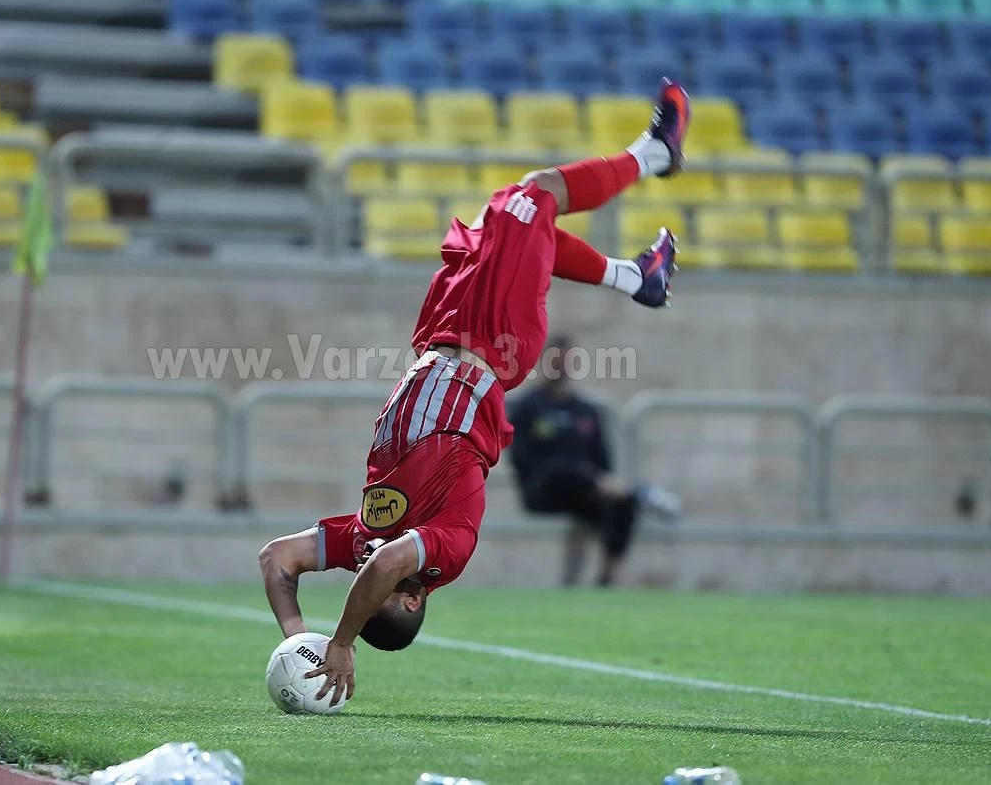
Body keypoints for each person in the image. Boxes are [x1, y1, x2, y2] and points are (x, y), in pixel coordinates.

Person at [257, 79, 690, 706]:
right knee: (535, 193)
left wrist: (296, 638)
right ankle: (653, 155)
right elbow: (382, 569)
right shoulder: (446, 550)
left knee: (504, 225)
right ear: (411, 597)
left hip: (442, 335)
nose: (362, 565)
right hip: (491, 343)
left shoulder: (366, 538)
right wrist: (342, 641)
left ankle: (638, 278)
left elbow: (277, 558)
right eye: (378, 586)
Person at [508, 334, 681, 588]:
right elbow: (522, 459)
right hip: (543, 491)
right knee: (561, 466)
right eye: (555, 360)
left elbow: (603, 464)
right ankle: (641, 491)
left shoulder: (586, 411)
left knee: (623, 502)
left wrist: (595, 482)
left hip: (584, 494)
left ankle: (607, 577)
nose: (561, 366)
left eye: (567, 360)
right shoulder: (527, 407)